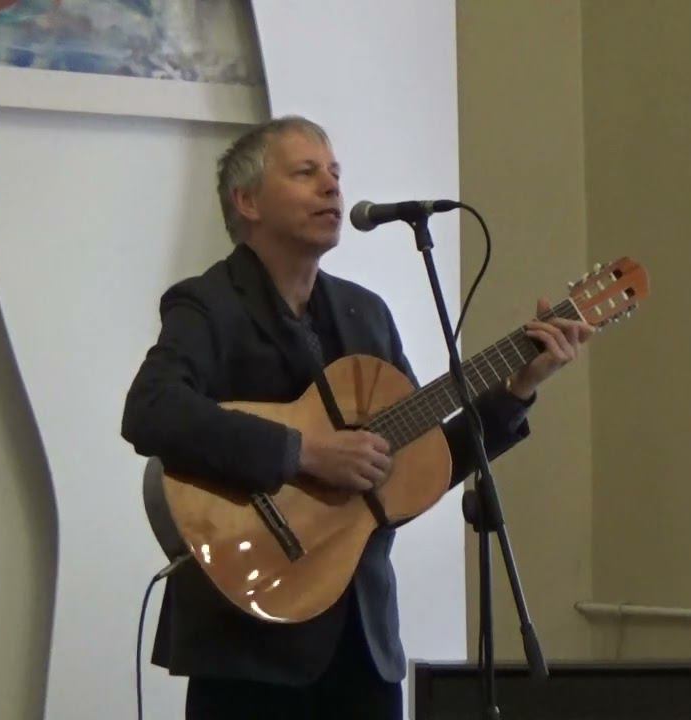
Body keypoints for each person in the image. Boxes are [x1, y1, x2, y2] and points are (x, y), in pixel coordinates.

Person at [121, 116, 593, 720]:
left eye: (335, 173)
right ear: (247, 202)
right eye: (306, 172)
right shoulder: (208, 304)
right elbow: (151, 408)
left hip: (362, 648)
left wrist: (518, 389)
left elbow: (418, 467)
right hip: (248, 645)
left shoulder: (365, 314)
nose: (332, 187)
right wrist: (306, 453)